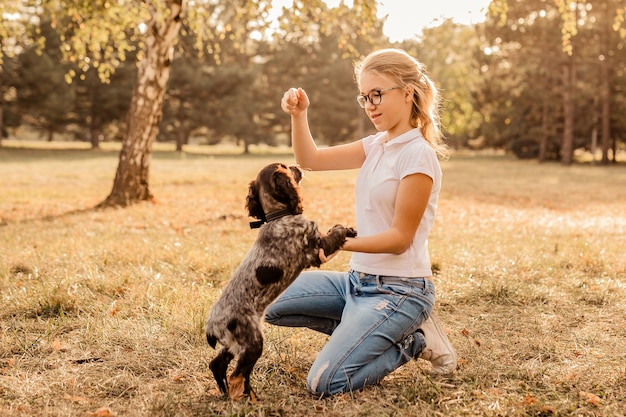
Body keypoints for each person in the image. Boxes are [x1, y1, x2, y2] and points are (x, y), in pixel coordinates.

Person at [265, 48, 456, 397]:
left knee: (324, 382)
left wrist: (335, 242)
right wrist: (299, 115)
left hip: (401, 291)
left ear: (407, 92)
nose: (370, 105)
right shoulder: (376, 146)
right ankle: (366, 331)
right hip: (356, 283)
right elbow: (310, 159)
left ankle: (414, 340)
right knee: (264, 299)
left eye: (378, 94)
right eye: (364, 97)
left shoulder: (418, 156)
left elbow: (399, 239)